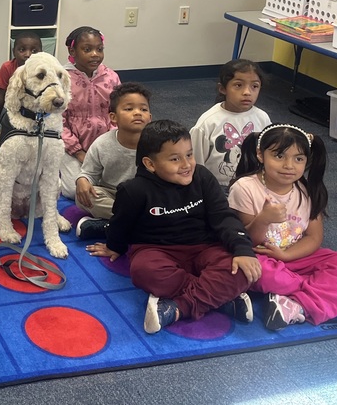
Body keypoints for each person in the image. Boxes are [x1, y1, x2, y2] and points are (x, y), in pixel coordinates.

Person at [86, 119, 262, 334]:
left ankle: (179, 307)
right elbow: (121, 224)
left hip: (205, 246)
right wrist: (114, 245)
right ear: (150, 164)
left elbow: (223, 217)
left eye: (189, 154)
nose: (187, 164)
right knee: (144, 272)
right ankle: (220, 297)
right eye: (175, 159)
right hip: (156, 249)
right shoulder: (133, 190)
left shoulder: (203, 177)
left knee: (243, 270)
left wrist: (243, 249)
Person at [229, 124, 337, 330]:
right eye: (279, 156)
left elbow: (314, 237)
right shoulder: (244, 187)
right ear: (260, 154)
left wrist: (286, 256)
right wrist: (264, 219)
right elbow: (245, 240)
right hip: (261, 257)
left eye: (298, 159)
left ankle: (295, 305)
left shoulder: (307, 190)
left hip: (296, 256)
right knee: (262, 274)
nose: (289, 165)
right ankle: (334, 295)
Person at [74, 82, 153, 241]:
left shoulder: (157, 143)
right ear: (113, 117)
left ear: (150, 117)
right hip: (113, 194)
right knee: (84, 196)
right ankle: (144, 223)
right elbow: (89, 174)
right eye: (129, 109)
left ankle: (114, 225)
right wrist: (82, 180)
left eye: (143, 109)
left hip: (147, 196)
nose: (138, 113)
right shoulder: (102, 143)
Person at [60, 26, 120, 198]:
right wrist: (78, 151)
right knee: (74, 190)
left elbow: (119, 111)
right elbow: (58, 121)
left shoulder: (111, 77)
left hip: (105, 143)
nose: (95, 54)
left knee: (122, 182)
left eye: (99, 49)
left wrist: (111, 141)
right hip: (71, 147)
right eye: (87, 49)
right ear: (73, 51)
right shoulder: (62, 79)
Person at [190, 59, 271, 187]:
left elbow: (269, 151)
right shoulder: (208, 122)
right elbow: (195, 161)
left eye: (254, 86)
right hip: (219, 187)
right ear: (223, 88)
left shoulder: (262, 118)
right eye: (238, 85)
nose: (247, 92)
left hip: (253, 184)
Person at [0, 29, 43, 128]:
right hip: (16, 109)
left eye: (34, 51)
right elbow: (1, 97)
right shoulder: (7, 67)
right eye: (22, 50)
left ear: (41, 53)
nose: (28, 55)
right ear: (14, 52)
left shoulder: (44, 70)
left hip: (38, 110)